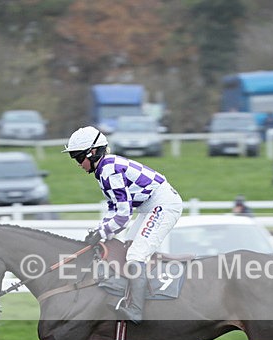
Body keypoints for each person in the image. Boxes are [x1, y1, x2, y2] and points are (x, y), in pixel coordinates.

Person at [63, 126, 183, 324]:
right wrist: (100, 230)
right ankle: (131, 295)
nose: (78, 163)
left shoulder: (109, 170)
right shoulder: (103, 170)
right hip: (150, 206)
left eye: (78, 157)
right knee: (127, 247)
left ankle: (136, 310)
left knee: (136, 255)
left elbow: (124, 216)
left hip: (163, 205)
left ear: (92, 153)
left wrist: (102, 232)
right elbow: (114, 209)